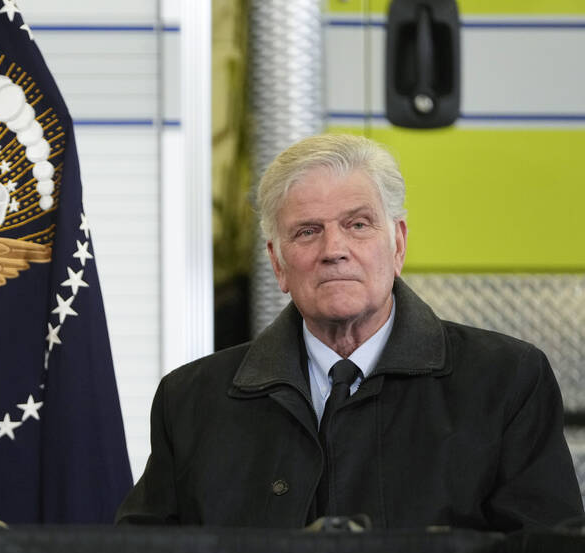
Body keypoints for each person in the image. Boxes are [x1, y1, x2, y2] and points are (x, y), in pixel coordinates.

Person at [118, 132, 582, 530]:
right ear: (278, 263)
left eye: (357, 225)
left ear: (397, 243)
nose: (333, 249)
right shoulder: (191, 401)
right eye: (306, 232)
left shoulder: (507, 382)